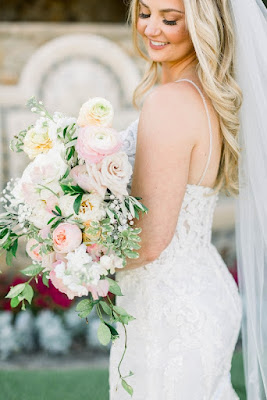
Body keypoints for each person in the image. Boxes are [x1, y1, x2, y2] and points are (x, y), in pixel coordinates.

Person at [109, 0, 267, 399]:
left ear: (203, 26)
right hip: (201, 290)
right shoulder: (205, 97)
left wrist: (68, 248)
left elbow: (148, 241)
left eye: (170, 19)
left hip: (166, 311)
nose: (151, 29)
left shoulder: (169, 103)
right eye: (145, 14)